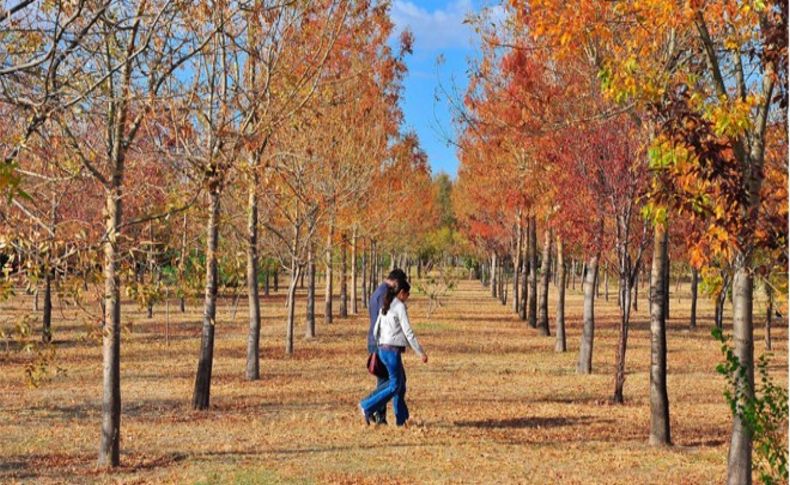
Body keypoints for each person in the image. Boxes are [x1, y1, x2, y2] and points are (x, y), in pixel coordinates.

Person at [360, 280, 427, 427]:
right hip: (391, 351)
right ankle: (367, 406)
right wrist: (420, 352)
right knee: (394, 386)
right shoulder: (399, 306)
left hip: (383, 348)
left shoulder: (387, 302)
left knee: (400, 384)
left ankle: (403, 420)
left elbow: (377, 326)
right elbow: (408, 332)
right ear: (402, 292)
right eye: (407, 294)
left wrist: (378, 344)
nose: (408, 297)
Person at [366, 269, 407, 424]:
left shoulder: (379, 291)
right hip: (383, 344)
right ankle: (372, 408)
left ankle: (392, 416)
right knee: (390, 383)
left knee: (392, 382)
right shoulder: (384, 295)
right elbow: (383, 322)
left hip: (380, 342)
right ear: (396, 281)